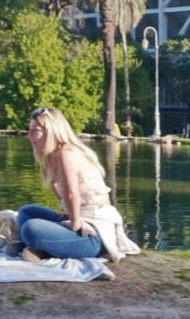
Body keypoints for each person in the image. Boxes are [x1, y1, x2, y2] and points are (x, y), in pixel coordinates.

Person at [13, 107, 140, 262]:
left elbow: (71, 193)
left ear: (52, 131)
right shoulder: (50, 156)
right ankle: (35, 247)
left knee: (30, 228)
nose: (29, 135)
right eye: (29, 129)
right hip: (80, 219)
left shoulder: (67, 152)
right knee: (27, 211)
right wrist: (68, 214)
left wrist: (73, 222)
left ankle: (31, 246)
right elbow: (64, 196)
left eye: (35, 130)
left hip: (93, 235)